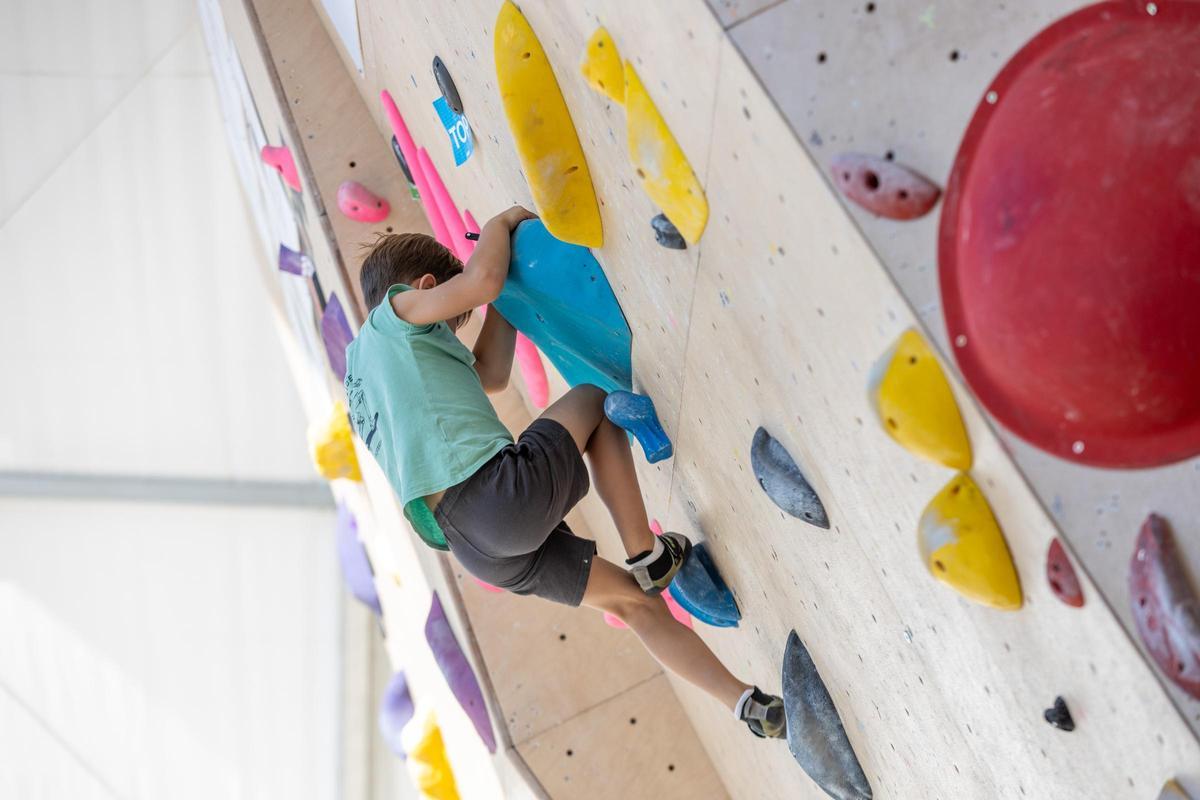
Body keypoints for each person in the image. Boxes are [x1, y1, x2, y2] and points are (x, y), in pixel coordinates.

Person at [344, 205, 785, 738]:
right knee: (593, 398)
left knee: (634, 606)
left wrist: (503, 294)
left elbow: (491, 374)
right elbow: (480, 280)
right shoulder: (395, 314)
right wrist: (499, 227)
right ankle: (646, 553)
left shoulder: (366, 381)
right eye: (444, 309)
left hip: (478, 550)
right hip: (492, 497)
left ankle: (747, 707)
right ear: (426, 287)